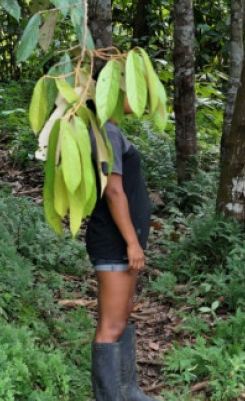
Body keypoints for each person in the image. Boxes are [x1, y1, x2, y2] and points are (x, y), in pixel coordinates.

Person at [86, 96, 157, 400]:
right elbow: (114, 191)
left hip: (122, 240)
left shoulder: (110, 129)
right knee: (111, 325)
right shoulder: (106, 131)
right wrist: (131, 241)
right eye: (129, 88)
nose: (137, 94)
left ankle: (128, 391)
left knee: (122, 315)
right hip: (115, 240)